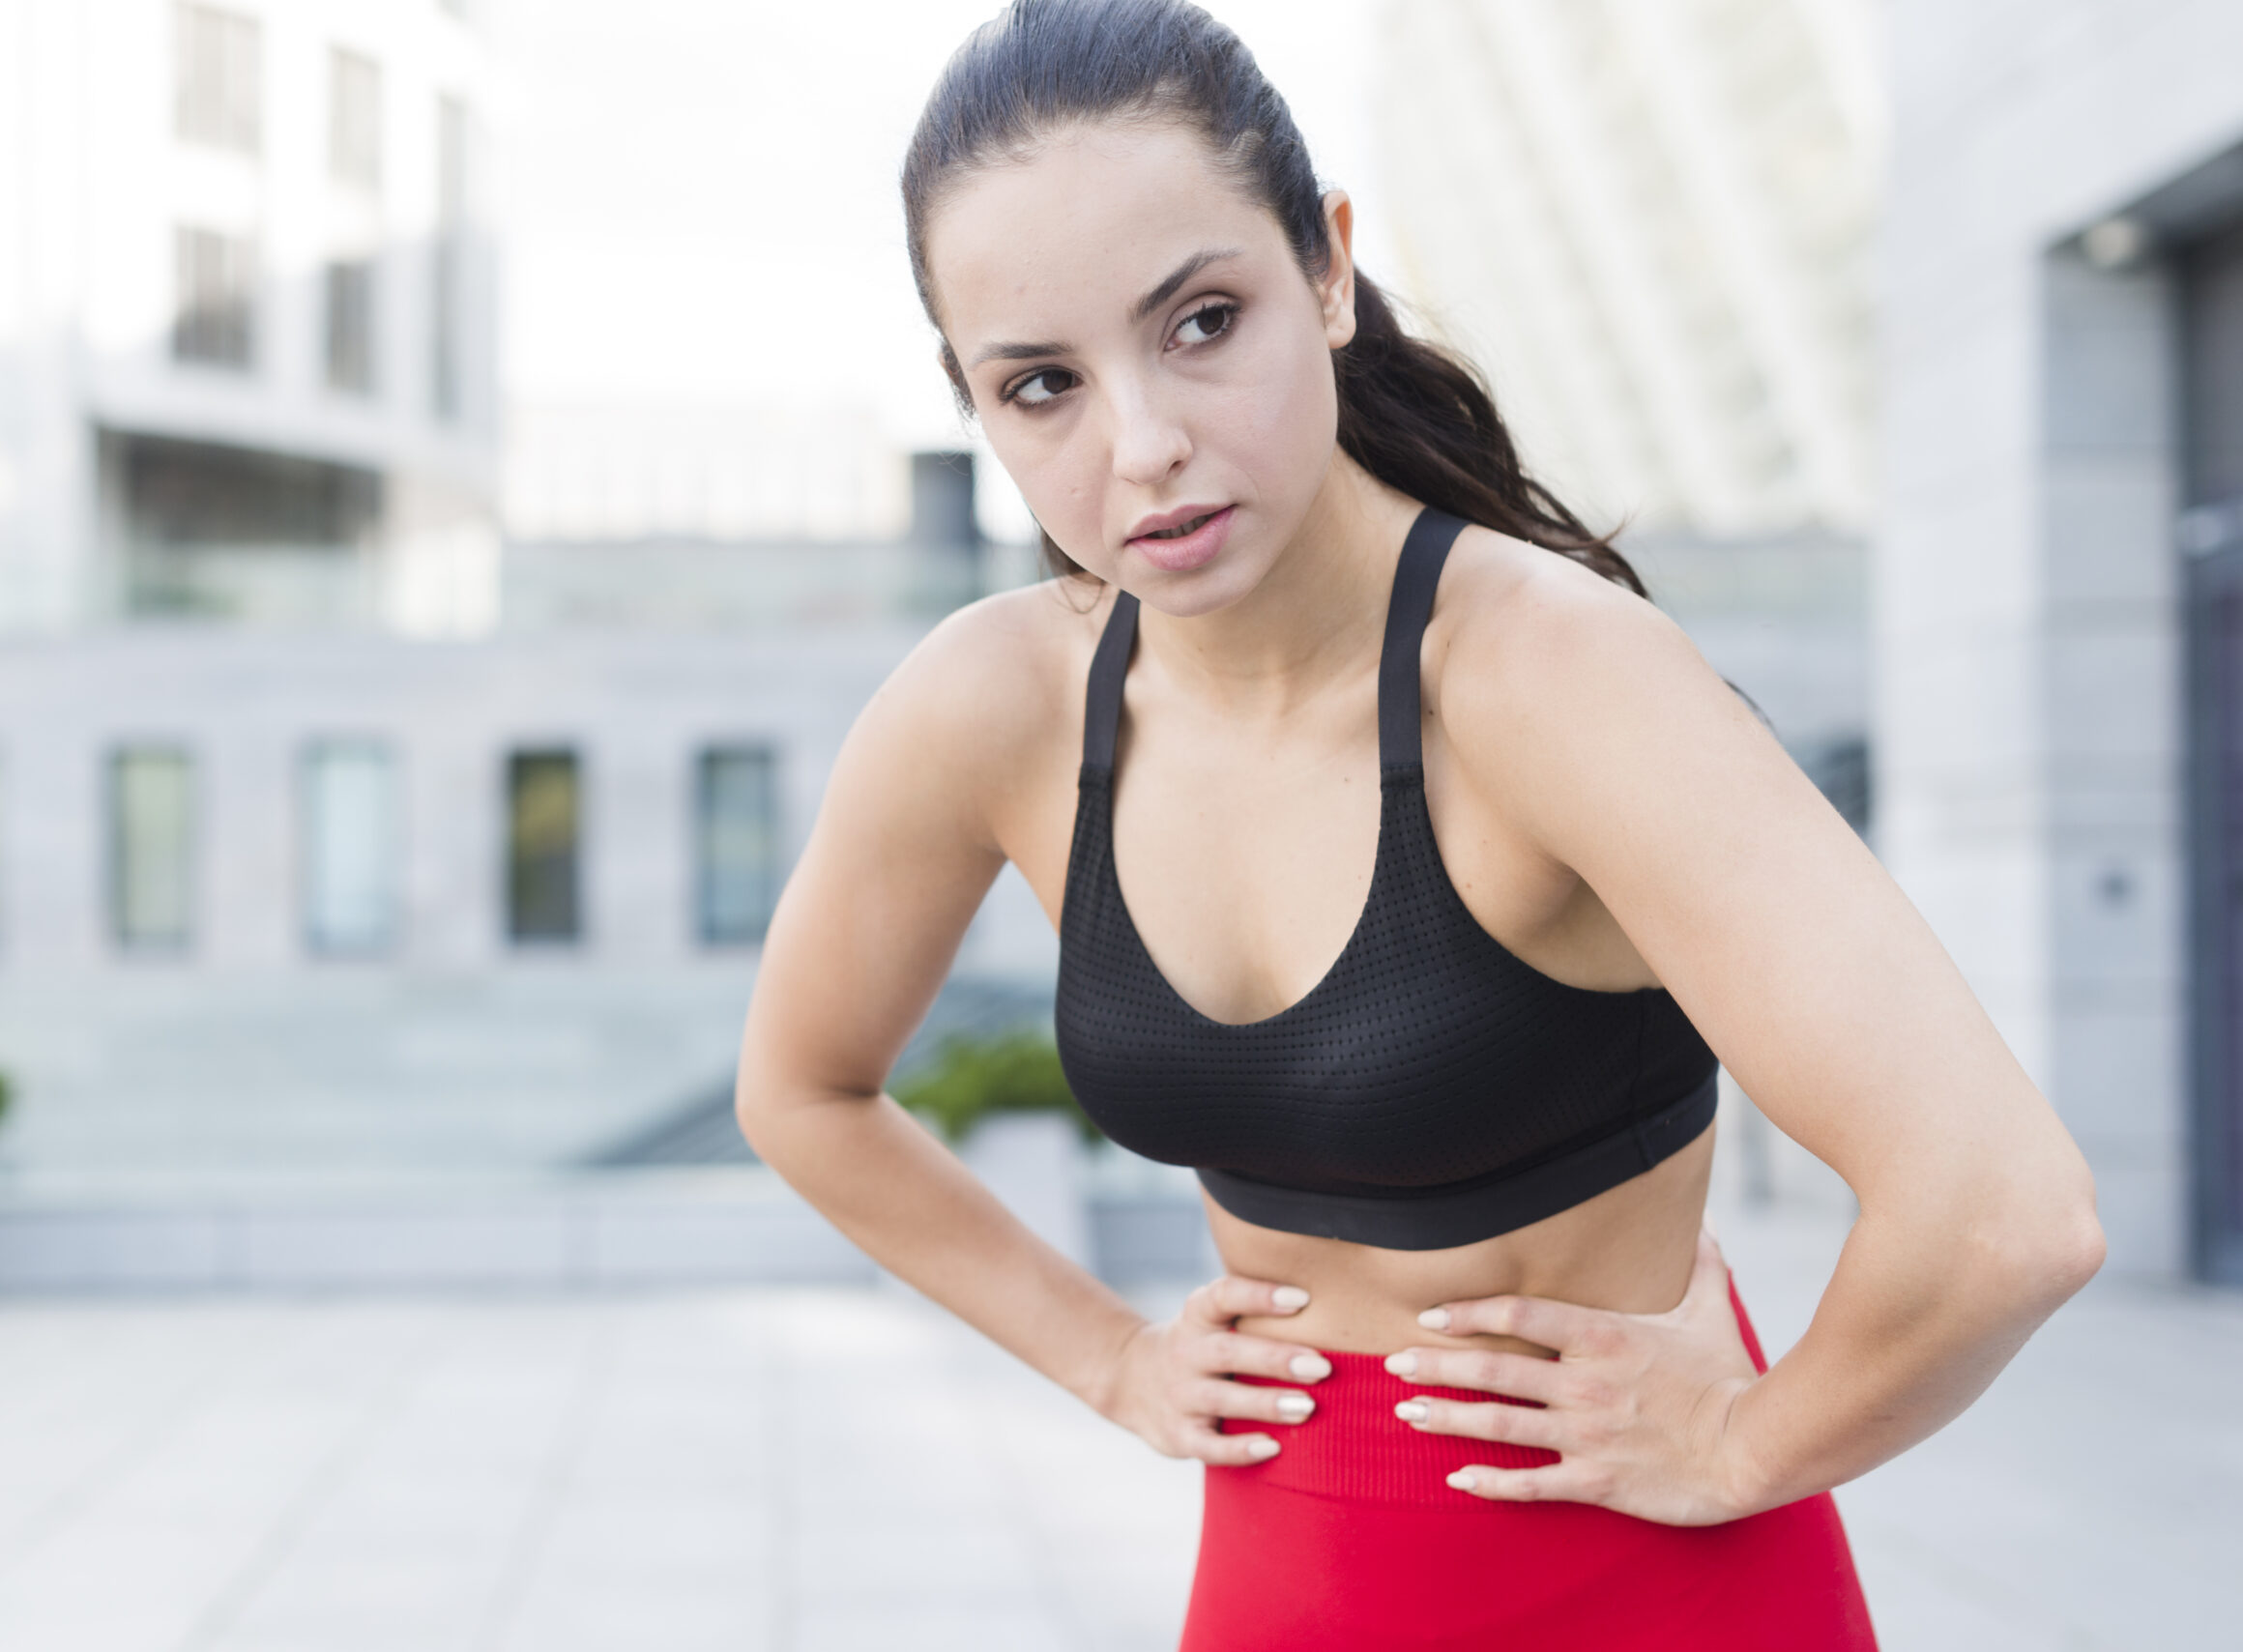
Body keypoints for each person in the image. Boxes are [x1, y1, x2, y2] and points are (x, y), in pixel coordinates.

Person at [734, 2, 2108, 1645]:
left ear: (1327, 269)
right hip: (1278, 1567)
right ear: (974, 401)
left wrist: (1747, 1434)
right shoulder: (1000, 704)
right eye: (1042, 384)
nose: (1144, 443)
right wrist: (1109, 1356)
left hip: (1631, 1571)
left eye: (1201, 321)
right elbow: (804, 1090)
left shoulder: (1549, 676)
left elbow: (2005, 1208)